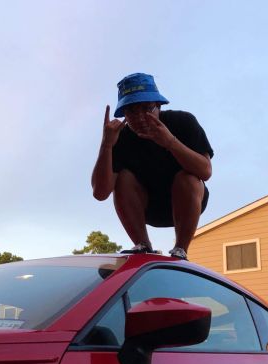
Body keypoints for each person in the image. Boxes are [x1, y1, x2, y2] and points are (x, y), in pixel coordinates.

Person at [91, 73, 213, 260]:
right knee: (123, 178)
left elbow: (205, 171)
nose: (140, 117)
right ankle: (142, 246)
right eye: (132, 111)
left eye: (147, 108)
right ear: (124, 115)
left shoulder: (183, 122)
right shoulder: (119, 138)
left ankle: (180, 249)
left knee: (187, 178)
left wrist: (170, 142)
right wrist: (106, 144)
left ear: (159, 106)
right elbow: (100, 193)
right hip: (146, 208)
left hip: (188, 202)